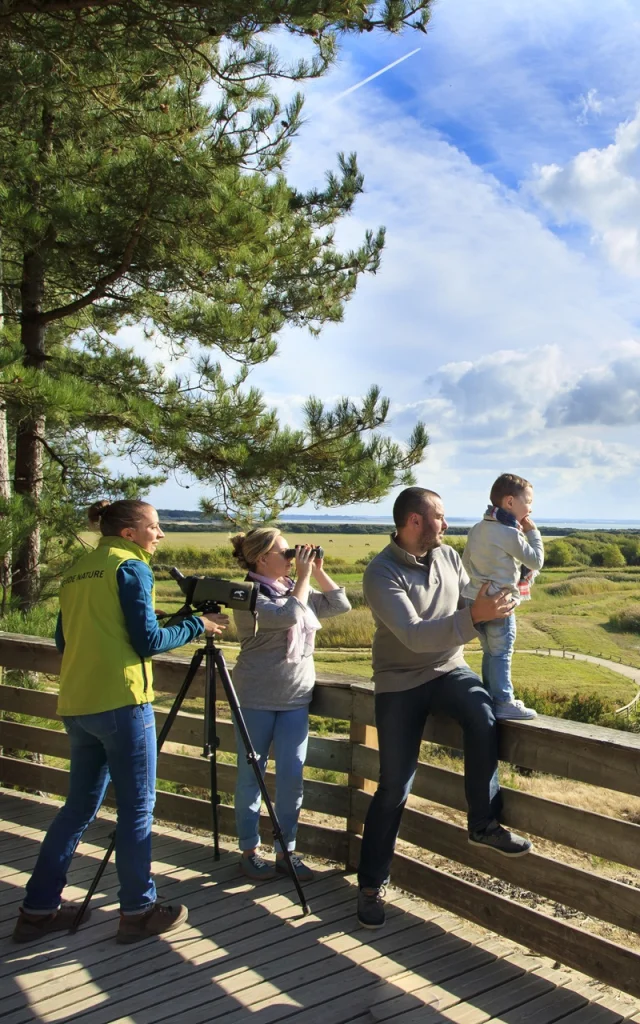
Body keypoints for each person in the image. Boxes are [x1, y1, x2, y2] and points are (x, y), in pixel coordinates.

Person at [13, 499, 229, 945]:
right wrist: (197, 625)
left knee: (77, 809)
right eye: (154, 526)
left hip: (78, 702)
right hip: (123, 701)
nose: (161, 534)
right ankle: (138, 911)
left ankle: (36, 911)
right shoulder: (131, 568)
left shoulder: (79, 569)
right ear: (130, 532)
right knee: (136, 811)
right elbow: (147, 641)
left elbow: (62, 638)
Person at [356, 486, 532, 931]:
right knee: (394, 785)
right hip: (399, 681)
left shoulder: (450, 558)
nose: (447, 524)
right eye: (439, 516)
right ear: (414, 521)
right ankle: (371, 885)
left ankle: (482, 822)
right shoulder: (380, 574)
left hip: (448, 668)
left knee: (482, 713)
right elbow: (414, 635)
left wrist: (498, 602)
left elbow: (464, 608)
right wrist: (474, 617)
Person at [230, 527, 351, 882]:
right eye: (285, 553)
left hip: (296, 698)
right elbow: (288, 616)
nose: (290, 559)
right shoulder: (248, 594)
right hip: (256, 697)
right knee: (251, 776)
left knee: (291, 778)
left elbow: (339, 604)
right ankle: (249, 850)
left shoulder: (290, 588)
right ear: (261, 558)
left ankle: (287, 850)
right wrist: (302, 577)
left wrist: (317, 569)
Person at [462, 473, 544, 721]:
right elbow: (535, 560)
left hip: (475, 599)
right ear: (510, 502)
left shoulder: (477, 528)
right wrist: (533, 533)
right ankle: (504, 700)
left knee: (489, 651)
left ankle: (490, 695)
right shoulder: (510, 533)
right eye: (528, 501)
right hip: (500, 602)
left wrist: (481, 582)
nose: (531, 507)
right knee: (502, 652)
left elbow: (466, 561)